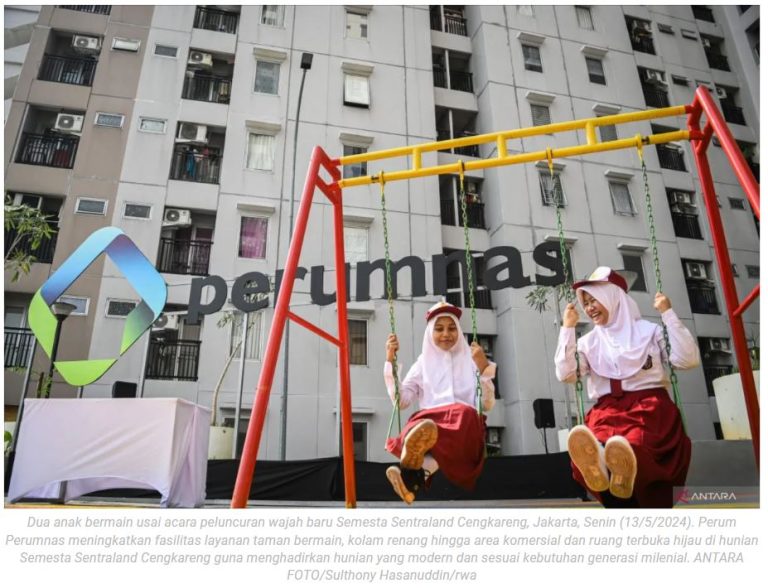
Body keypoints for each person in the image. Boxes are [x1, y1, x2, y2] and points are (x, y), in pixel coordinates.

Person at [554, 266, 700, 508]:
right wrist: (567, 328)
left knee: (635, 444)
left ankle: (617, 468)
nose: (589, 308)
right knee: (595, 445)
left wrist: (668, 313)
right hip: (606, 412)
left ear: (613, 298)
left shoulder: (649, 332)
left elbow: (687, 360)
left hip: (648, 408)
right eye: (585, 302)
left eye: (594, 300)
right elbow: (566, 374)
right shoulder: (588, 342)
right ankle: (603, 468)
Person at [383, 301, 496, 504]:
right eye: (439, 329)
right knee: (422, 425)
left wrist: (483, 369)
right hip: (432, 424)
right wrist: (390, 361)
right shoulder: (422, 364)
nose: (446, 334)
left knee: (464, 413)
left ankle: (413, 455)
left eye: (452, 328)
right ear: (429, 332)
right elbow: (401, 401)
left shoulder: (472, 361)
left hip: (463, 429)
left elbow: (486, 404)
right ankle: (411, 480)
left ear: (459, 331)